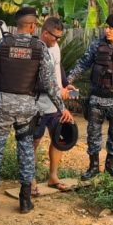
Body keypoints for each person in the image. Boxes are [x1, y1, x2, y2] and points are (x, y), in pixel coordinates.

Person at [0, 7, 68, 215]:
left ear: (18, 25)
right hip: (26, 109)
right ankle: (25, 201)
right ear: (33, 26)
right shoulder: (39, 48)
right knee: (26, 150)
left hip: (1, 106)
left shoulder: (1, 44)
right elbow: (51, 85)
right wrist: (62, 109)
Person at [66, 13, 113, 180]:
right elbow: (82, 64)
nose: (107, 30)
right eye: (106, 27)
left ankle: (110, 166)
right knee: (93, 133)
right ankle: (93, 166)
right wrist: (68, 80)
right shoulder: (97, 45)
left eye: (111, 28)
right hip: (96, 98)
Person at [31, 17, 75, 194]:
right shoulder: (35, 50)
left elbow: (58, 66)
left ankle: (53, 177)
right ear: (44, 33)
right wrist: (57, 90)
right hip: (37, 104)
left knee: (59, 138)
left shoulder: (55, 47)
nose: (57, 40)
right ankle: (31, 181)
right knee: (33, 142)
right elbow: (34, 80)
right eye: (55, 37)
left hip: (55, 105)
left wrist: (65, 85)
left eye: (59, 37)